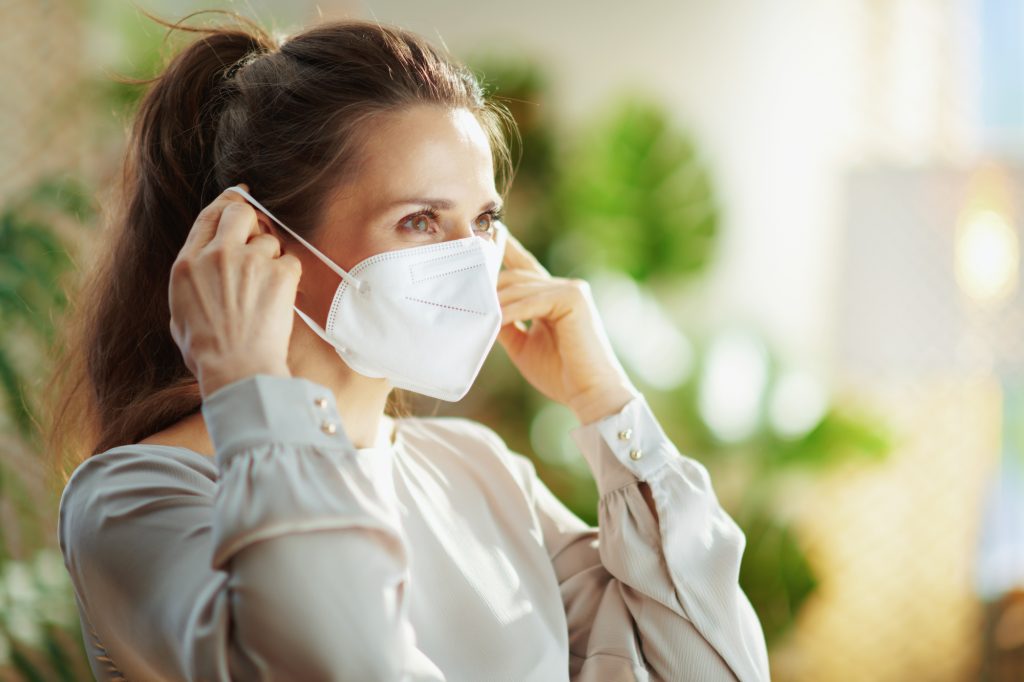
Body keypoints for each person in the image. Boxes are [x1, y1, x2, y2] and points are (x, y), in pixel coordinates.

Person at [48, 10, 770, 682]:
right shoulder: (133, 501)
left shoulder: (480, 469)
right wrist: (250, 389)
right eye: (421, 220)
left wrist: (608, 406)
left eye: (484, 220)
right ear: (260, 242)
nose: (470, 262)